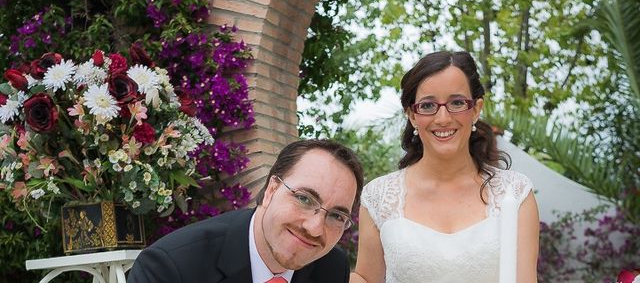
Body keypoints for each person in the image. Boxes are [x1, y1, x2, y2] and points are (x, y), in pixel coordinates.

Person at [350, 51, 540, 283]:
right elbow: (366, 279)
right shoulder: (378, 196)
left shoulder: (515, 192)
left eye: (457, 103)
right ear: (412, 115)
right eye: (428, 105)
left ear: (476, 109)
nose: (443, 118)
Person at [128, 138, 364, 283]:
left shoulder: (331, 268)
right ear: (271, 190)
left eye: (336, 215)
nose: (314, 229)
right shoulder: (171, 268)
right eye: (304, 198)